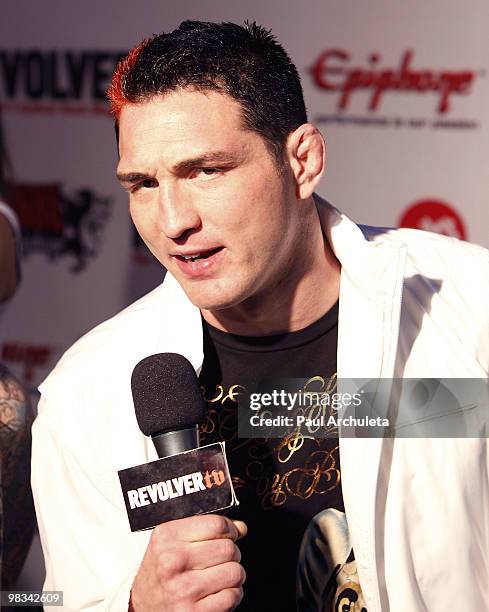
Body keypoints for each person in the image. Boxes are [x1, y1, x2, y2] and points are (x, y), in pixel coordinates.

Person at [31, 20, 489, 612]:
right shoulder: (87, 389)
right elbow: (63, 599)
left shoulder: (469, 306)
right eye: (142, 183)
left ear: (302, 160)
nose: (173, 222)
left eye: (205, 171)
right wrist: (137, 605)